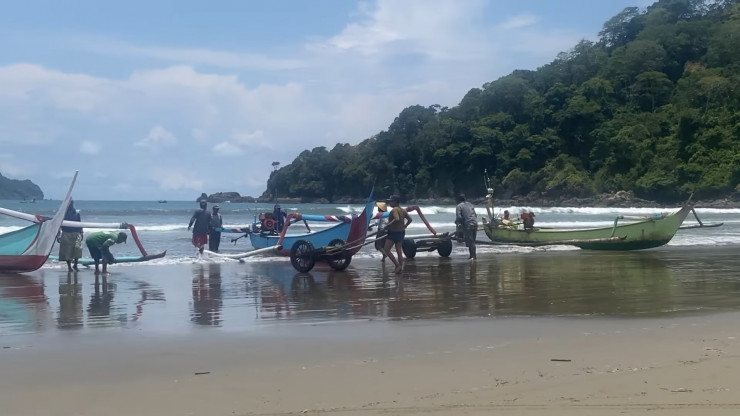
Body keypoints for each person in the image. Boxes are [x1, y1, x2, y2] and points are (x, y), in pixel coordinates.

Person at [382, 195, 412, 274]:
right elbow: (410, 219)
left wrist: (387, 226)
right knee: (399, 251)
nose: (389, 203)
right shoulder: (402, 210)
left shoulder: (395, 209)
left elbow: (396, 218)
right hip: (401, 232)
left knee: (386, 250)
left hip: (393, 233)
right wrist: (405, 226)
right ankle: (400, 268)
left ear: (395, 202)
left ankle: (397, 265)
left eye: (391, 201)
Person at [58, 200, 83, 271]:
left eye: (71, 203)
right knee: (67, 250)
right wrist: (58, 234)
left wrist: (81, 232)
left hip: (76, 233)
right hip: (66, 232)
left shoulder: (76, 213)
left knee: (78, 249)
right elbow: (58, 224)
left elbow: (80, 223)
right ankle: (69, 267)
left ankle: (75, 265)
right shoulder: (63, 214)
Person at [455, 193, 478, 263]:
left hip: (468, 224)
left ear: (458, 200)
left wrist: (458, 223)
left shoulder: (459, 206)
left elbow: (459, 217)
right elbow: (475, 215)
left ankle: (473, 256)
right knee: (472, 241)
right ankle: (472, 256)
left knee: (470, 241)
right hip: (475, 223)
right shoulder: (470, 204)